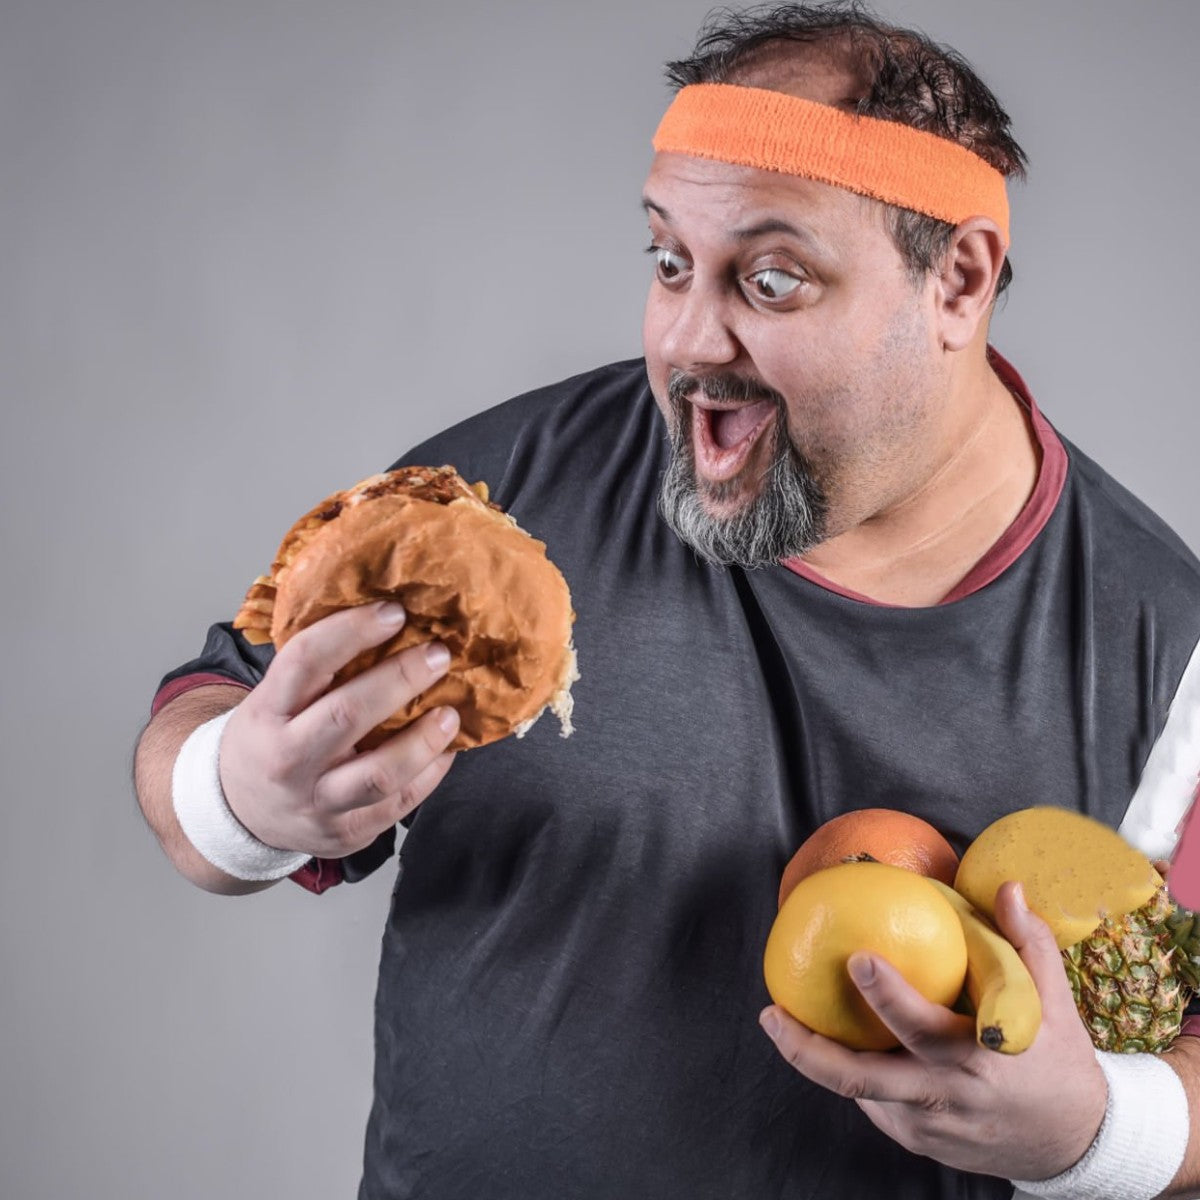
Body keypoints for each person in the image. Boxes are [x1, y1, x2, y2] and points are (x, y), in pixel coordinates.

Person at [135, 4, 1200, 1197]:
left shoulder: (1170, 647)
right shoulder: (489, 513)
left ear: (957, 279)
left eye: (774, 279)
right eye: (668, 262)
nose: (690, 339)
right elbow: (211, 717)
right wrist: (239, 792)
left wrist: (1100, 1135)